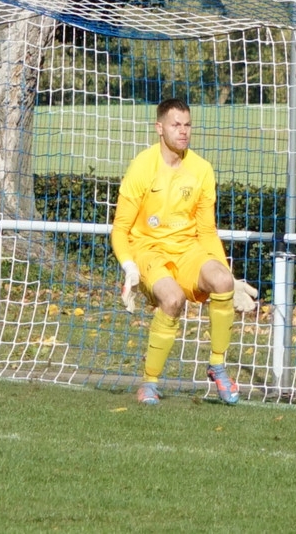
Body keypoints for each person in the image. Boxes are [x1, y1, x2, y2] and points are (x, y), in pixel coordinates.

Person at [111, 97, 257, 406]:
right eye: (176, 125)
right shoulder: (142, 167)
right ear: (159, 128)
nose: (183, 131)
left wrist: (230, 277)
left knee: (221, 281)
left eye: (187, 124)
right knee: (173, 299)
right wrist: (129, 268)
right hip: (148, 250)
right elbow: (120, 230)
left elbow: (207, 231)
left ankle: (217, 366)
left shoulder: (201, 169)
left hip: (187, 250)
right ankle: (149, 383)